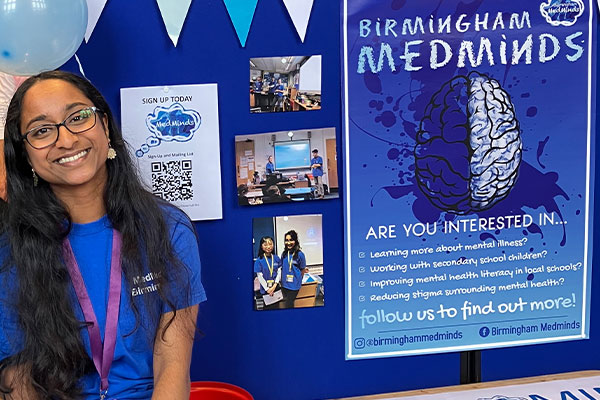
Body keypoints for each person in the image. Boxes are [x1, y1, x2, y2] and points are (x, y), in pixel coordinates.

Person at [0, 71, 206, 399]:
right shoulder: (11, 248)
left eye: (78, 117)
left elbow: (173, 366)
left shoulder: (168, 229)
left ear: (105, 127)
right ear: (26, 156)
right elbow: (17, 379)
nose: (66, 140)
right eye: (41, 131)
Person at [280, 230, 308, 309]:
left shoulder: (300, 254)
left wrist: (298, 280)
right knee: (285, 303)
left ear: (295, 241)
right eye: (286, 240)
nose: (288, 243)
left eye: (291, 240)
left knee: (289, 304)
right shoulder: (284, 254)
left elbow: (302, 269)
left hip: (294, 286)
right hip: (284, 284)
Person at [253, 236, 282, 310]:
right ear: (261, 247)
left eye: (270, 244)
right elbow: (259, 276)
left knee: (276, 308)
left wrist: (274, 285)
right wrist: (267, 289)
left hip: (276, 288)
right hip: (266, 290)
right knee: (267, 309)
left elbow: (279, 272)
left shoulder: (276, 258)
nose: (268, 247)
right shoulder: (259, 261)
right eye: (265, 244)